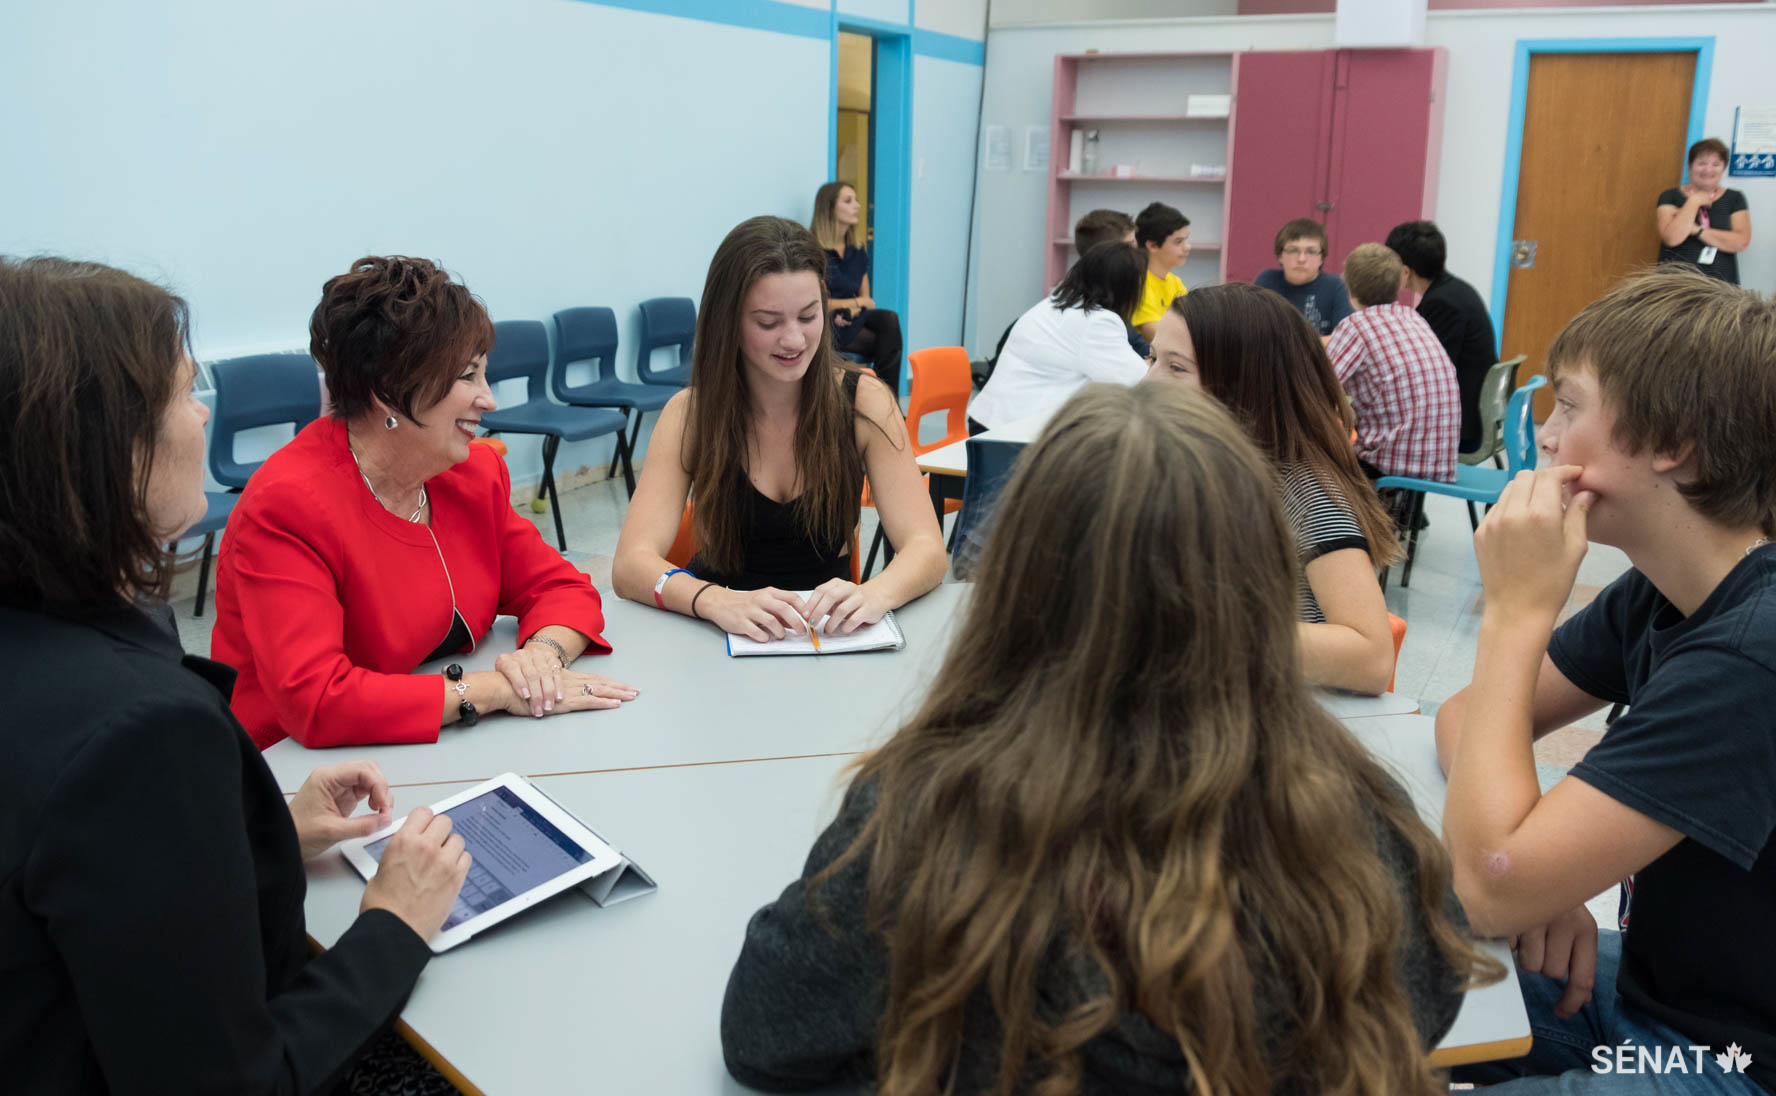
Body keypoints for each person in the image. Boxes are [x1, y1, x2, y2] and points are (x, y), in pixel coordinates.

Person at [721, 383, 1497, 1095]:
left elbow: (763, 1034)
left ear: (1017, 581)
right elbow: (1432, 995)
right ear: (1261, 585)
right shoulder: (1354, 815)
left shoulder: (925, 817)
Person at [0, 256, 472, 1093]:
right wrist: (396, 924)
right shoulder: (142, 736)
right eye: (184, 392)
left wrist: (258, 842)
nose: (204, 413)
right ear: (103, 443)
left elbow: (77, 889)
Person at [1433, 267, 1776, 1094]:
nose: (1546, 436)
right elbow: (1465, 716)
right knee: (1347, 988)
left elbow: (1485, 887)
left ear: (1674, 443)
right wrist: (1544, 868)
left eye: (1572, 406)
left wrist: (1512, 614)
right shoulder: (1665, 586)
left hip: (1729, 1059)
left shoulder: (1752, 655)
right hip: (1648, 986)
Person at [212, 256, 635, 750]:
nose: (489, 399)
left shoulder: (471, 473)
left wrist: (541, 658)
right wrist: (497, 690)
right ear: (388, 393)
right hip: (296, 780)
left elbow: (562, 588)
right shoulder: (288, 507)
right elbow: (317, 701)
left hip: (426, 742)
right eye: (468, 377)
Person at [612, 215, 945, 641]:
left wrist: (876, 593)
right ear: (727, 322)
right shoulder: (690, 415)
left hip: (825, 640)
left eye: (808, 316)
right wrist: (714, 600)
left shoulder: (865, 401)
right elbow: (630, 566)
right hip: (715, 642)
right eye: (768, 323)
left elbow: (927, 548)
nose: (794, 340)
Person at [1147, 282, 1402, 694]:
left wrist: (1207, 633)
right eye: (1152, 358)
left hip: (1272, 710)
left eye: (1176, 368)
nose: (1148, 382)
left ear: (1241, 385)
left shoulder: (1303, 493)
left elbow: (1372, 658)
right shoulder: (1195, 462)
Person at [967, 240, 1147, 433]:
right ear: (1125, 288)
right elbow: (1140, 381)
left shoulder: (1058, 303)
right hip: (1010, 434)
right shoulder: (1096, 322)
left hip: (991, 422)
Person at [1328, 243, 1461, 484]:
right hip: (1441, 461)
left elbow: (1318, 384)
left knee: (1314, 450)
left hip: (1391, 462)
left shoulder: (1355, 326)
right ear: (1400, 282)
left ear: (1349, 289)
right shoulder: (1414, 317)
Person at [1385, 220, 1500, 453]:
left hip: (1460, 427)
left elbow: (1424, 373)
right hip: (1470, 415)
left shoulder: (1442, 303)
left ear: (1405, 270)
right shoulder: (1456, 289)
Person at [811, 180, 904, 395]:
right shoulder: (814, 250)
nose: (858, 206)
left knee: (889, 319)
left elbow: (867, 300)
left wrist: (855, 306)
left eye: (856, 200)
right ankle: (887, 399)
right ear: (829, 208)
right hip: (829, 321)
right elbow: (817, 302)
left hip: (853, 316)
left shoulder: (857, 252)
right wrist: (854, 303)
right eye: (848, 201)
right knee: (885, 339)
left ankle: (886, 398)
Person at [1656, 137, 1752, 285]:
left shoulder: (1734, 198)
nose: (1708, 170)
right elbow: (1672, 237)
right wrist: (1694, 201)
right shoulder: (1670, 196)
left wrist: (1696, 230)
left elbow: (1741, 242)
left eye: (1716, 164)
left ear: (1723, 168)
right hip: (1673, 286)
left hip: (1722, 287)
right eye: (1701, 163)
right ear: (1690, 166)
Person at [1255, 218, 1354, 337]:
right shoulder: (1266, 281)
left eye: (1311, 252)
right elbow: (1252, 331)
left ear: (1321, 258)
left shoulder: (1336, 286)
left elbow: (1344, 339)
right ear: (1280, 255)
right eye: (1293, 250)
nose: (1301, 259)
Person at [1128, 200, 1191, 340]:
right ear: (1153, 245)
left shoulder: (1175, 282)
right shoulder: (1138, 282)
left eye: (1186, 240)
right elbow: (1153, 334)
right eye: (1178, 241)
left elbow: (1193, 323)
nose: (1188, 247)